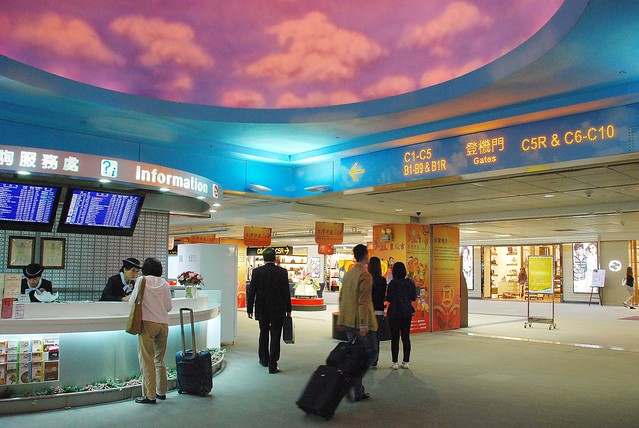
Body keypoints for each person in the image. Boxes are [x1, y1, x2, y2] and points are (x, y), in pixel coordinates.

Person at [337, 244, 378, 401]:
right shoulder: (365, 275)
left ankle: (358, 390)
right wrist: (363, 324)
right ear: (366, 255)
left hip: (348, 320)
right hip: (361, 322)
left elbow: (342, 297)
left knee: (355, 355)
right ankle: (352, 379)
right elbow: (363, 301)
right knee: (371, 352)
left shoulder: (348, 274)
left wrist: (341, 319)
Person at [129, 257, 173, 404]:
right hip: (163, 324)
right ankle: (161, 391)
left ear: (145, 269)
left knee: (147, 359)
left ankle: (150, 395)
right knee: (159, 359)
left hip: (147, 323)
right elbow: (169, 307)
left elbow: (132, 301)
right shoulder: (165, 284)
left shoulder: (142, 281)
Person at [247, 247, 292, 374]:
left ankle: (264, 359)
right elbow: (286, 292)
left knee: (263, 333)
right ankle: (273, 364)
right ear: (275, 258)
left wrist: (249, 308)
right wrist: (288, 309)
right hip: (278, 309)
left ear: (263, 258)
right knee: (276, 335)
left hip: (262, 309)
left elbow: (252, 292)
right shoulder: (282, 272)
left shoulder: (257, 272)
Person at [385, 262, 417, 370]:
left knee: (394, 338)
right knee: (406, 337)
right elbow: (414, 297)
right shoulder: (410, 283)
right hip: (406, 313)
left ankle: (395, 362)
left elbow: (388, 298)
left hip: (394, 313)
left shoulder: (392, 283)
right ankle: (405, 361)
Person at [368, 256, 386, 368]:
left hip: (368, 309)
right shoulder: (382, 280)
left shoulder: (367, 279)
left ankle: (367, 358)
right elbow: (383, 296)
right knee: (376, 335)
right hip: (379, 310)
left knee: (367, 336)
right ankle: (375, 359)